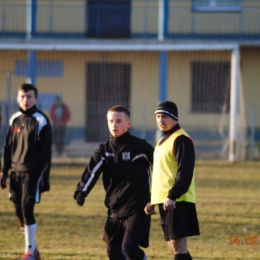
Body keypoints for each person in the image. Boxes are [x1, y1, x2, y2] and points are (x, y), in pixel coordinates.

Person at [74, 105, 154, 260]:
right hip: (114, 206)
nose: (114, 125)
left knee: (129, 249)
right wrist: (82, 191)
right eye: (111, 121)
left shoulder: (140, 147)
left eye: (118, 121)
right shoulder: (104, 150)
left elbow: (159, 169)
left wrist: (159, 195)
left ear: (128, 124)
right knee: (113, 251)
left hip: (138, 206)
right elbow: (92, 171)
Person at [0, 83, 52, 260]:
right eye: (22, 97)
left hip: (33, 173)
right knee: (18, 211)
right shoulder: (14, 118)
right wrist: (3, 171)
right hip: (15, 172)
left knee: (26, 208)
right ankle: (35, 251)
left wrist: (45, 175)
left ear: (36, 99)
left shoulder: (41, 120)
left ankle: (29, 250)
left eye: (29, 97)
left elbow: (46, 152)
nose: (26, 100)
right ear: (17, 99)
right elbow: (8, 147)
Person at [144, 101, 200, 260]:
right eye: (158, 116)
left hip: (178, 200)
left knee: (178, 247)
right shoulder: (162, 141)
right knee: (173, 246)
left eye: (165, 116)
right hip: (165, 200)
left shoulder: (181, 139)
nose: (160, 120)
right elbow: (161, 174)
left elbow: (185, 171)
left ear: (174, 118)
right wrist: (152, 200)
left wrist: (173, 195)